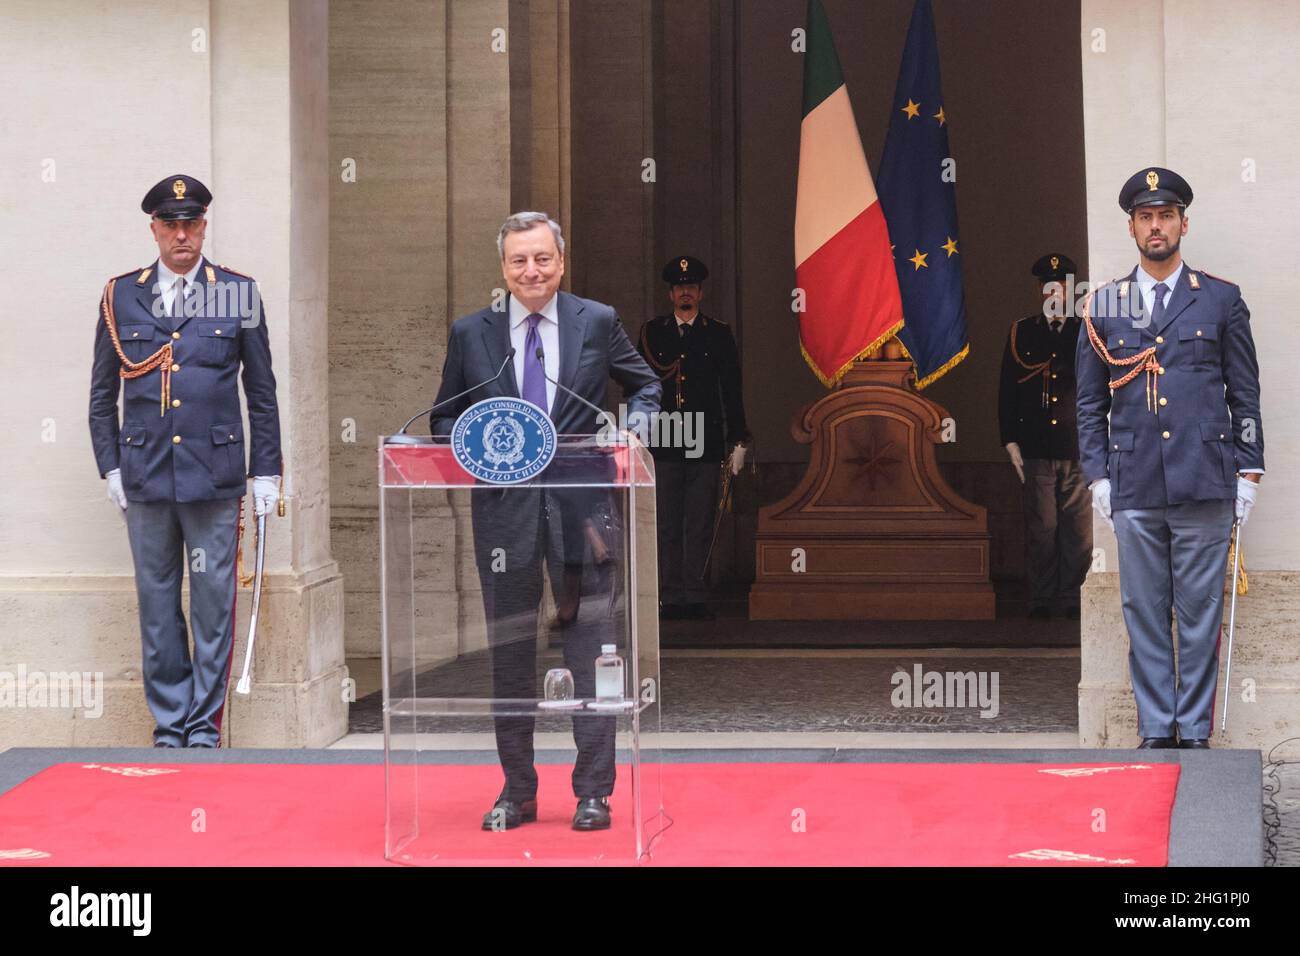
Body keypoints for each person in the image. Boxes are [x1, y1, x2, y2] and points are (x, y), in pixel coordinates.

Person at [430, 211, 660, 830]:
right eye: (518, 261)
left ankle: (594, 791)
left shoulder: (598, 321)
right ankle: (517, 790)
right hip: (506, 518)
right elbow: (443, 420)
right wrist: (477, 444)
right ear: (503, 268)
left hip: (584, 510)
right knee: (509, 655)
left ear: (562, 261)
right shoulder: (472, 332)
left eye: (542, 259)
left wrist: (635, 426)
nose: (531, 271)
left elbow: (645, 385)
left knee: (593, 650)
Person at [88, 174, 282, 748]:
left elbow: (262, 391)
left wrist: (266, 471)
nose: (181, 234)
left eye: (191, 223)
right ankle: (170, 724)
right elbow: (102, 395)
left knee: (212, 604)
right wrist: (111, 467)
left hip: (214, 475)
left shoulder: (235, 292)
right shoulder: (122, 294)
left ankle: (203, 727)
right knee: (157, 603)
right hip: (145, 474)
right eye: (170, 224)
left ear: (204, 227)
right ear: (153, 229)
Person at [1076, 167, 1263, 750]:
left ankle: (1194, 731)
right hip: (1132, 483)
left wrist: (1249, 469)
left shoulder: (1221, 299)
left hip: (1205, 479)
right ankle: (1158, 731)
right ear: (1131, 227)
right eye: (1145, 217)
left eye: (1166, 216)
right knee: (1144, 609)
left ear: (1184, 223)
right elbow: (1088, 403)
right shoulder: (1104, 306)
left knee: (1201, 611)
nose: (1156, 227)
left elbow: (1245, 393)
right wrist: (1097, 477)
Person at [637, 256, 750, 621]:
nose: (686, 292)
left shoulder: (718, 333)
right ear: (671, 294)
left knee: (699, 521)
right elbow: (640, 388)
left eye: (691, 287)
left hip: (704, 438)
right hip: (665, 437)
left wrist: (738, 439)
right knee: (667, 521)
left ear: (700, 293)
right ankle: (669, 595)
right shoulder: (652, 333)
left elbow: (731, 388)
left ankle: (694, 592)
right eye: (679, 287)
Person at [998, 253, 1093, 620]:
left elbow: (1098, 387)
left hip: (1077, 443)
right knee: (1042, 526)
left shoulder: (1085, 329)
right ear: (1041, 291)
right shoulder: (1022, 331)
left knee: (1078, 530)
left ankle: (1071, 597)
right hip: (1036, 444)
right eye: (1048, 286)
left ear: (1070, 291)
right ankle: (1041, 597)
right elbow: (1008, 388)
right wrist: (1010, 439)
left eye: (1062, 286)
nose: (1055, 292)